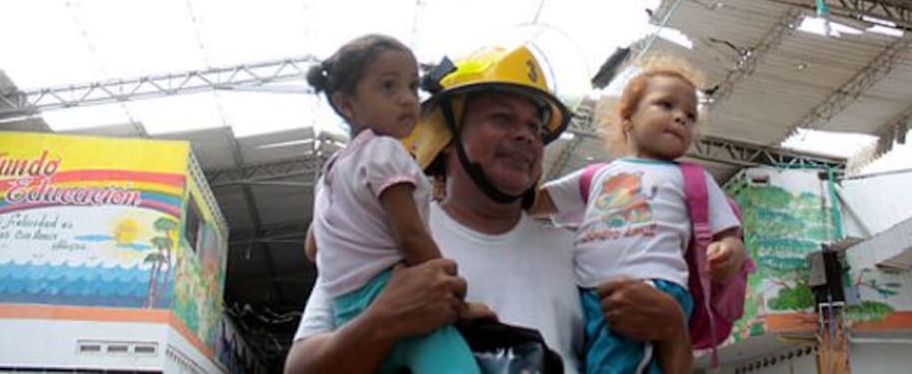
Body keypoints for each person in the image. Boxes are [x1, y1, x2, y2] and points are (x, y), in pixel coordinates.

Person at [286, 45, 690, 374]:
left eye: (535, 127)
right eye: (502, 117)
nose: (526, 136)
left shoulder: (581, 251)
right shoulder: (378, 238)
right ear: (446, 138)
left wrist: (673, 330)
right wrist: (383, 321)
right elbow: (300, 367)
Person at [532, 64, 748, 374]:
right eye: (666, 104)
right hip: (589, 291)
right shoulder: (596, 176)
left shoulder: (693, 177)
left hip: (653, 285)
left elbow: (730, 234)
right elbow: (534, 202)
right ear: (627, 118)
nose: (680, 118)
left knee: (616, 366)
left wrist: (730, 252)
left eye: (690, 116)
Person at [303, 34, 479, 374]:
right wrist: (456, 297)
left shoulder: (330, 174)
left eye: (412, 87)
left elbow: (313, 249)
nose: (406, 100)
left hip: (347, 314)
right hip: (402, 301)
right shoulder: (384, 151)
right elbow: (411, 236)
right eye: (388, 87)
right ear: (346, 104)